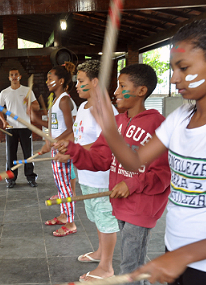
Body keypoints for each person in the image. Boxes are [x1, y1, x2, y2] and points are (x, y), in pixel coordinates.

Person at [89, 19, 206, 285]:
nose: (175, 78)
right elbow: (133, 161)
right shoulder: (180, 117)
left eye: (184, 68)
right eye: (173, 68)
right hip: (175, 249)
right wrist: (109, 128)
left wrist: (183, 256)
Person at [55, 63, 171, 284]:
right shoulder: (117, 122)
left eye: (121, 86)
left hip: (142, 205)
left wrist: (133, 184)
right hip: (121, 203)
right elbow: (100, 159)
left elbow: (163, 174)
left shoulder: (158, 124)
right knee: (131, 262)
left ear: (141, 90)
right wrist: (73, 150)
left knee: (130, 264)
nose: (116, 91)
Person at [56, 60, 119, 280]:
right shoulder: (83, 107)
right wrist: (66, 145)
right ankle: (101, 252)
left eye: (81, 81)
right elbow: (78, 134)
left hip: (102, 176)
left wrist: (74, 151)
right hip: (86, 174)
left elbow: (109, 141)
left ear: (94, 82)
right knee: (95, 217)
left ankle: (107, 267)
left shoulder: (105, 109)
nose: (77, 85)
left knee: (105, 218)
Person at [34, 62, 76, 237]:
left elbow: (72, 128)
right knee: (60, 186)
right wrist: (34, 119)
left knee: (65, 187)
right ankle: (63, 215)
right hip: (56, 147)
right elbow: (53, 126)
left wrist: (54, 142)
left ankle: (71, 223)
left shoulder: (65, 99)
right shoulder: (56, 100)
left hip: (63, 149)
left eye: (51, 78)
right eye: (47, 78)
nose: (47, 81)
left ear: (61, 81)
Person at [0, 68, 40, 188]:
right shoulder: (4, 92)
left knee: (28, 154)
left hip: (25, 126)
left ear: (20, 76)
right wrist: (3, 121)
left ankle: (31, 177)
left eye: (16, 75)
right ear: (9, 78)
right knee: (11, 154)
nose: (14, 77)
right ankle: (11, 179)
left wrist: (29, 105)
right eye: (12, 75)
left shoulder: (27, 90)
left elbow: (37, 106)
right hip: (11, 127)